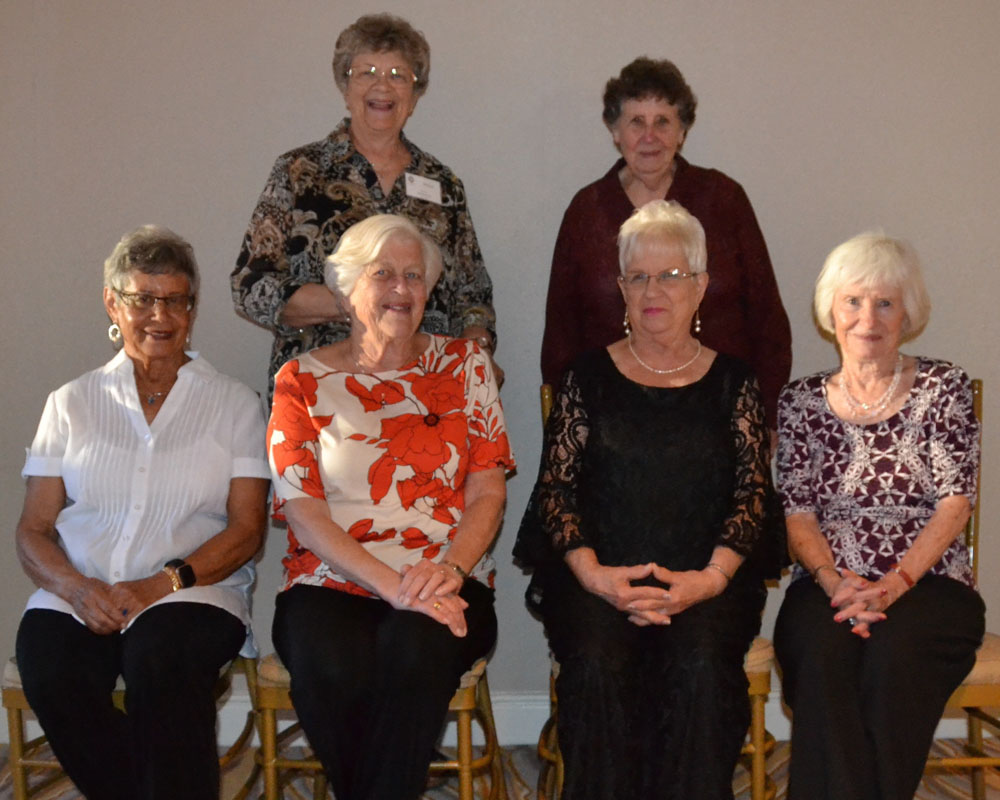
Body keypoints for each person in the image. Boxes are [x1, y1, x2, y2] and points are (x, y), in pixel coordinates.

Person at [515, 200, 778, 799]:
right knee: (601, 669)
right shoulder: (585, 377)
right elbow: (556, 492)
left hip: (707, 581)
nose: (653, 289)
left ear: (701, 286)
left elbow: (751, 495)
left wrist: (707, 582)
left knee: (700, 669)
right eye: (638, 276)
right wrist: (597, 577)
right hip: (597, 581)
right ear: (621, 287)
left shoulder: (735, 381)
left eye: (671, 275)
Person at [13, 226, 271, 800]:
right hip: (81, 586)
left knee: (162, 660)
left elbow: (248, 529)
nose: (160, 315)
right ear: (113, 302)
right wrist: (77, 589)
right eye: (142, 299)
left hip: (192, 589)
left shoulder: (235, 403)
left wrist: (161, 584)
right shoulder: (71, 402)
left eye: (175, 300)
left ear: (192, 308)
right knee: (51, 666)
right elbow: (34, 529)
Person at [267, 214, 513, 800]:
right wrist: (393, 586)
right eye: (383, 274)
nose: (401, 289)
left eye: (414, 275)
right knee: (329, 668)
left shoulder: (466, 368)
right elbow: (304, 513)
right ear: (348, 291)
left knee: (414, 649)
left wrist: (447, 571)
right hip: (330, 580)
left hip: (447, 575)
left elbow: (487, 492)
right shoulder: (298, 380)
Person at [773, 232, 985, 800]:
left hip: (929, 584)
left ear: (907, 313)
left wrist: (892, 586)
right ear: (831, 311)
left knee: (891, 660)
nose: (868, 318)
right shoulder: (800, 401)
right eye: (853, 301)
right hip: (827, 585)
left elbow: (954, 504)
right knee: (822, 655)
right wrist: (836, 582)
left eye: (885, 302)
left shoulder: (943, 388)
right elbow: (798, 514)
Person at [232, 12, 497, 398]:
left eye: (398, 75)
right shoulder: (298, 172)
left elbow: (475, 297)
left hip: (424, 397)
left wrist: (479, 349)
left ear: (415, 94)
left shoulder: (443, 185)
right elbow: (251, 286)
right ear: (345, 86)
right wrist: (361, 304)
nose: (382, 86)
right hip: (321, 392)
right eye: (367, 71)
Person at [540, 56, 791, 429]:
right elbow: (561, 335)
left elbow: (767, 320)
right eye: (636, 122)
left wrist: (764, 419)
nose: (649, 137)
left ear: (682, 132)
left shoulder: (723, 199)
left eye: (663, 122)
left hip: (720, 416)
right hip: (612, 422)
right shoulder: (586, 210)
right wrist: (570, 429)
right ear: (614, 131)